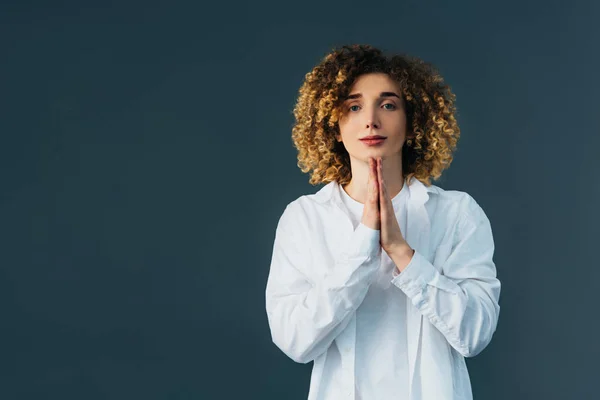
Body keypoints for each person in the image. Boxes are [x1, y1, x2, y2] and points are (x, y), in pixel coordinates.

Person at [265, 44, 501, 400]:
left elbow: (474, 335)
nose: (371, 120)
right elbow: (296, 341)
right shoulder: (304, 219)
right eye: (354, 106)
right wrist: (364, 244)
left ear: (413, 121)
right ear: (333, 124)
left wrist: (401, 252)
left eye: (388, 105)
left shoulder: (457, 214)